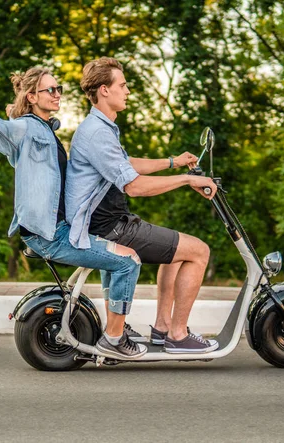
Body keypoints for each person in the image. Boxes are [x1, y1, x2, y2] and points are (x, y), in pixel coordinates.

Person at [0, 66, 147, 360]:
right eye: (49, 90)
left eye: (58, 88)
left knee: (111, 258)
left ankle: (117, 329)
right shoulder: (27, 127)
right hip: (49, 233)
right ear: (32, 96)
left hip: (60, 227)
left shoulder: (48, 131)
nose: (57, 94)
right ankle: (114, 340)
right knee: (128, 261)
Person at [66, 57, 219, 354]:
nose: (128, 91)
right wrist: (187, 180)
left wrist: (173, 162)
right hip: (111, 227)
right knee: (199, 251)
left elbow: (126, 164)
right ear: (104, 90)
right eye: (122, 85)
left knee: (175, 253)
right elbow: (133, 186)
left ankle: (163, 329)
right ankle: (178, 334)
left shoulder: (102, 127)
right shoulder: (97, 132)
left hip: (114, 221)